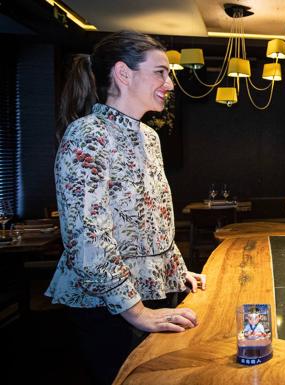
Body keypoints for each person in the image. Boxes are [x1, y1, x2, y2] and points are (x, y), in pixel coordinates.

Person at [46, 30, 206, 385]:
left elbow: (156, 220)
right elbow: (87, 241)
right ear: (123, 73)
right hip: (105, 308)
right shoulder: (87, 134)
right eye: (160, 72)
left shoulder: (148, 136)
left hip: (153, 293)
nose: (170, 82)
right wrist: (135, 312)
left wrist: (177, 270)